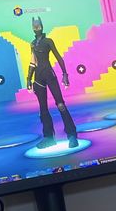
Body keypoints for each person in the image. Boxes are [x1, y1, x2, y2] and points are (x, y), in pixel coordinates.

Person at [27, 16, 78, 149]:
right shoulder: (32, 43)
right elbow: (33, 62)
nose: (36, 28)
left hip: (49, 74)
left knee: (60, 104)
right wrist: (28, 78)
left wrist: (65, 74)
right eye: (34, 26)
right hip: (38, 78)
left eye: (38, 25)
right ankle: (49, 137)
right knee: (43, 109)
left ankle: (72, 135)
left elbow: (58, 57)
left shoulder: (48, 41)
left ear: (42, 26)